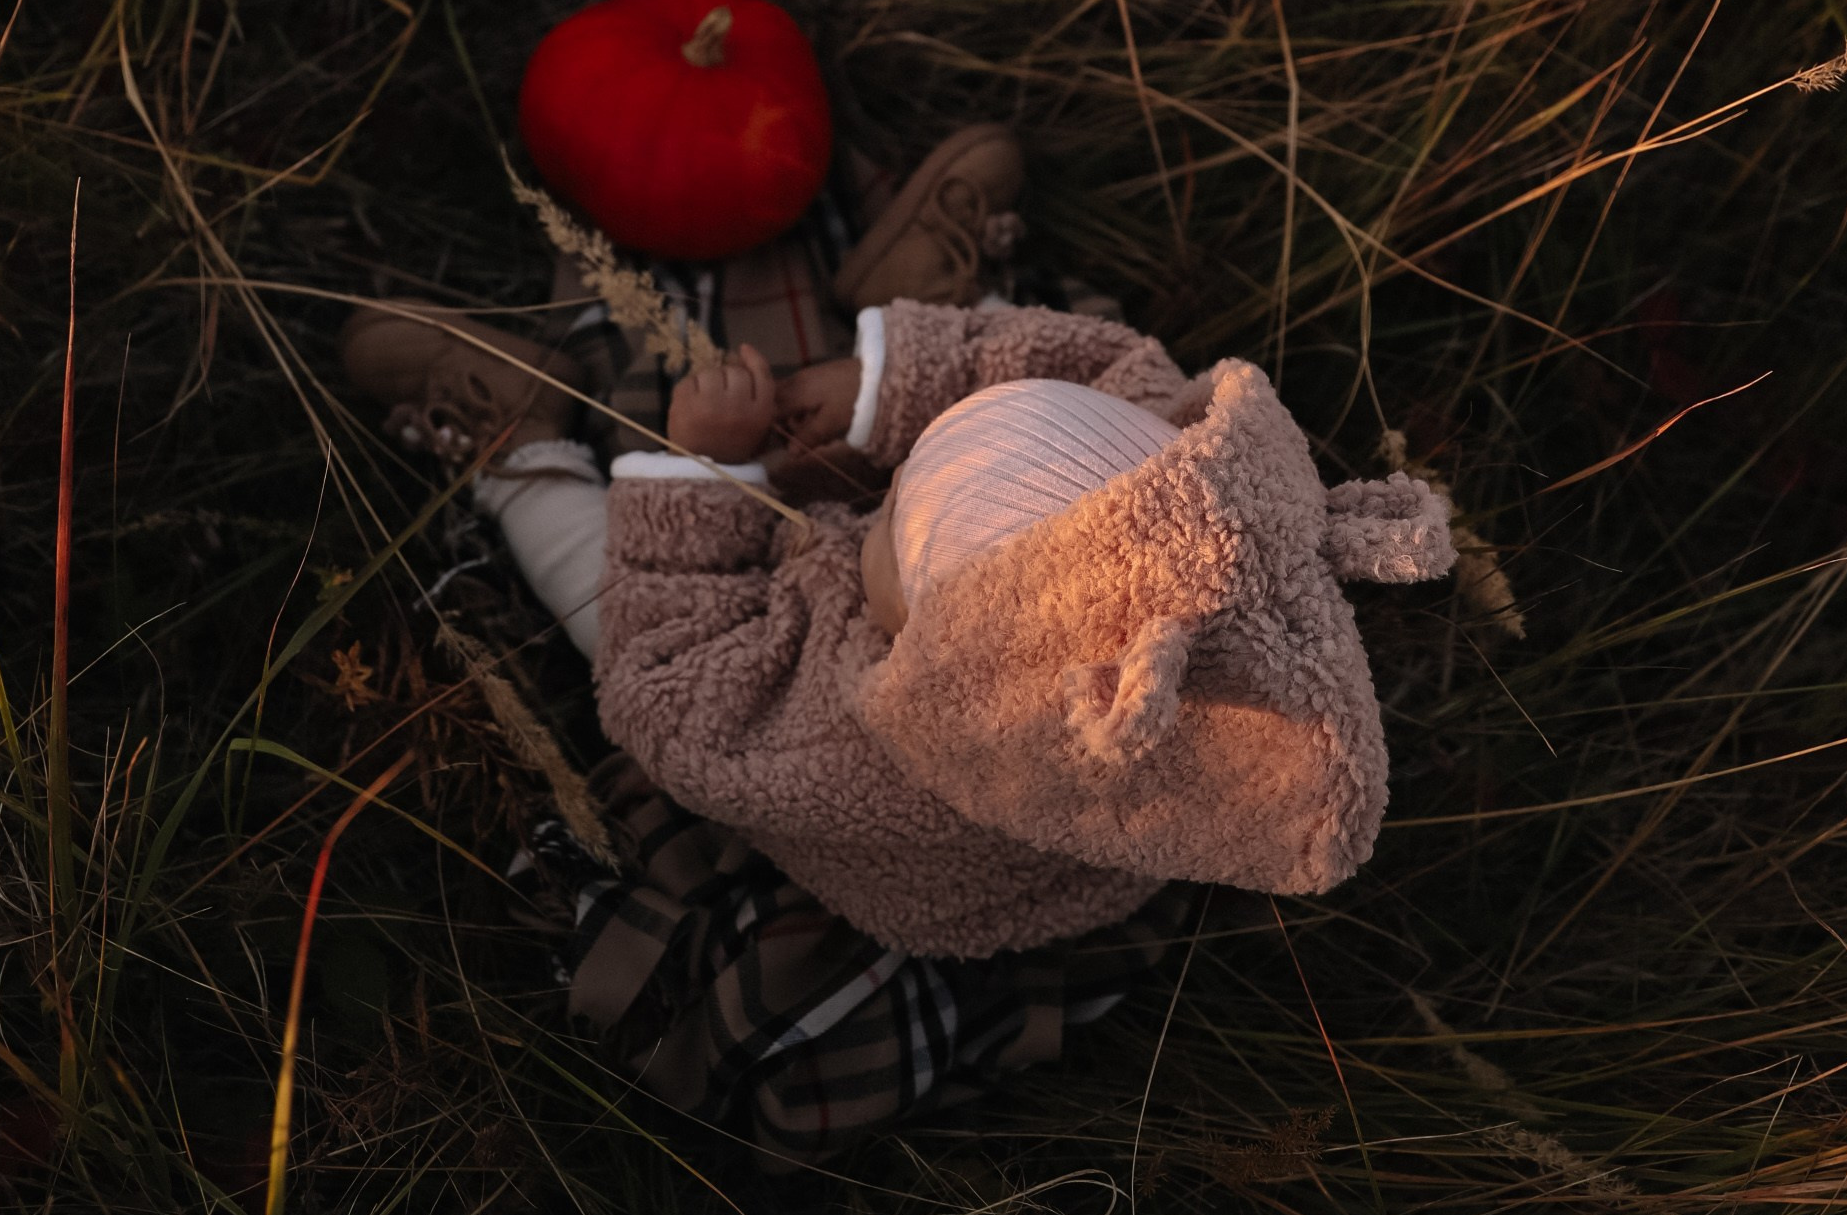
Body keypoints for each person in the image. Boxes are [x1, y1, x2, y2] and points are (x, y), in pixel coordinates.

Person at [341, 138, 1454, 1155]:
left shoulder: (860, 738)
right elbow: (1113, 369)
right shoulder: (1204, 535)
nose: (873, 506)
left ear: (936, 649)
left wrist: (700, 476)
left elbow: (671, 684)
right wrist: (886, 387)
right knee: (1039, 359)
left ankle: (516, 451)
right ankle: (904, 308)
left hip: (852, 775)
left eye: (889, 522)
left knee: (603, 594)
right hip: (1071, 802)